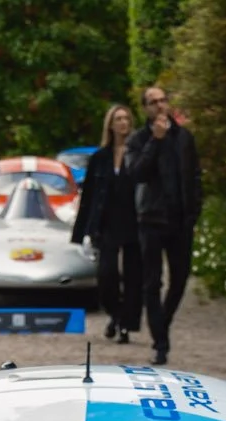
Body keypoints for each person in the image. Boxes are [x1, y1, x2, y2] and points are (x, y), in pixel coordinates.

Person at [127, 82, 201, 364]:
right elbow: (137, 174)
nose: (160, 105)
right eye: (153, 102)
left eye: (163, 100)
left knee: (180, 277)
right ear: (145, 109)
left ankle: (162, 322)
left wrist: (194, 212)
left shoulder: (184, 137)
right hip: (151, 218)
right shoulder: (139, 140)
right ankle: (161, 342)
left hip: (180, 218)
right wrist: (155, 141)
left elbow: (195, 176)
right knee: (152, 281)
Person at [69, 103, 143, 344]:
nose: (123, 123)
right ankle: (114, 313)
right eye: (118, 119)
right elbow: (88, 196)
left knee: (133, 276)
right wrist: (80, 233)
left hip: (134, 221)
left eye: (126, 119)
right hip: (107, 222)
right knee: (106, 275)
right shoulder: (99, 158)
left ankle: (126, 325)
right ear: (110, 124)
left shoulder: (138, 153)